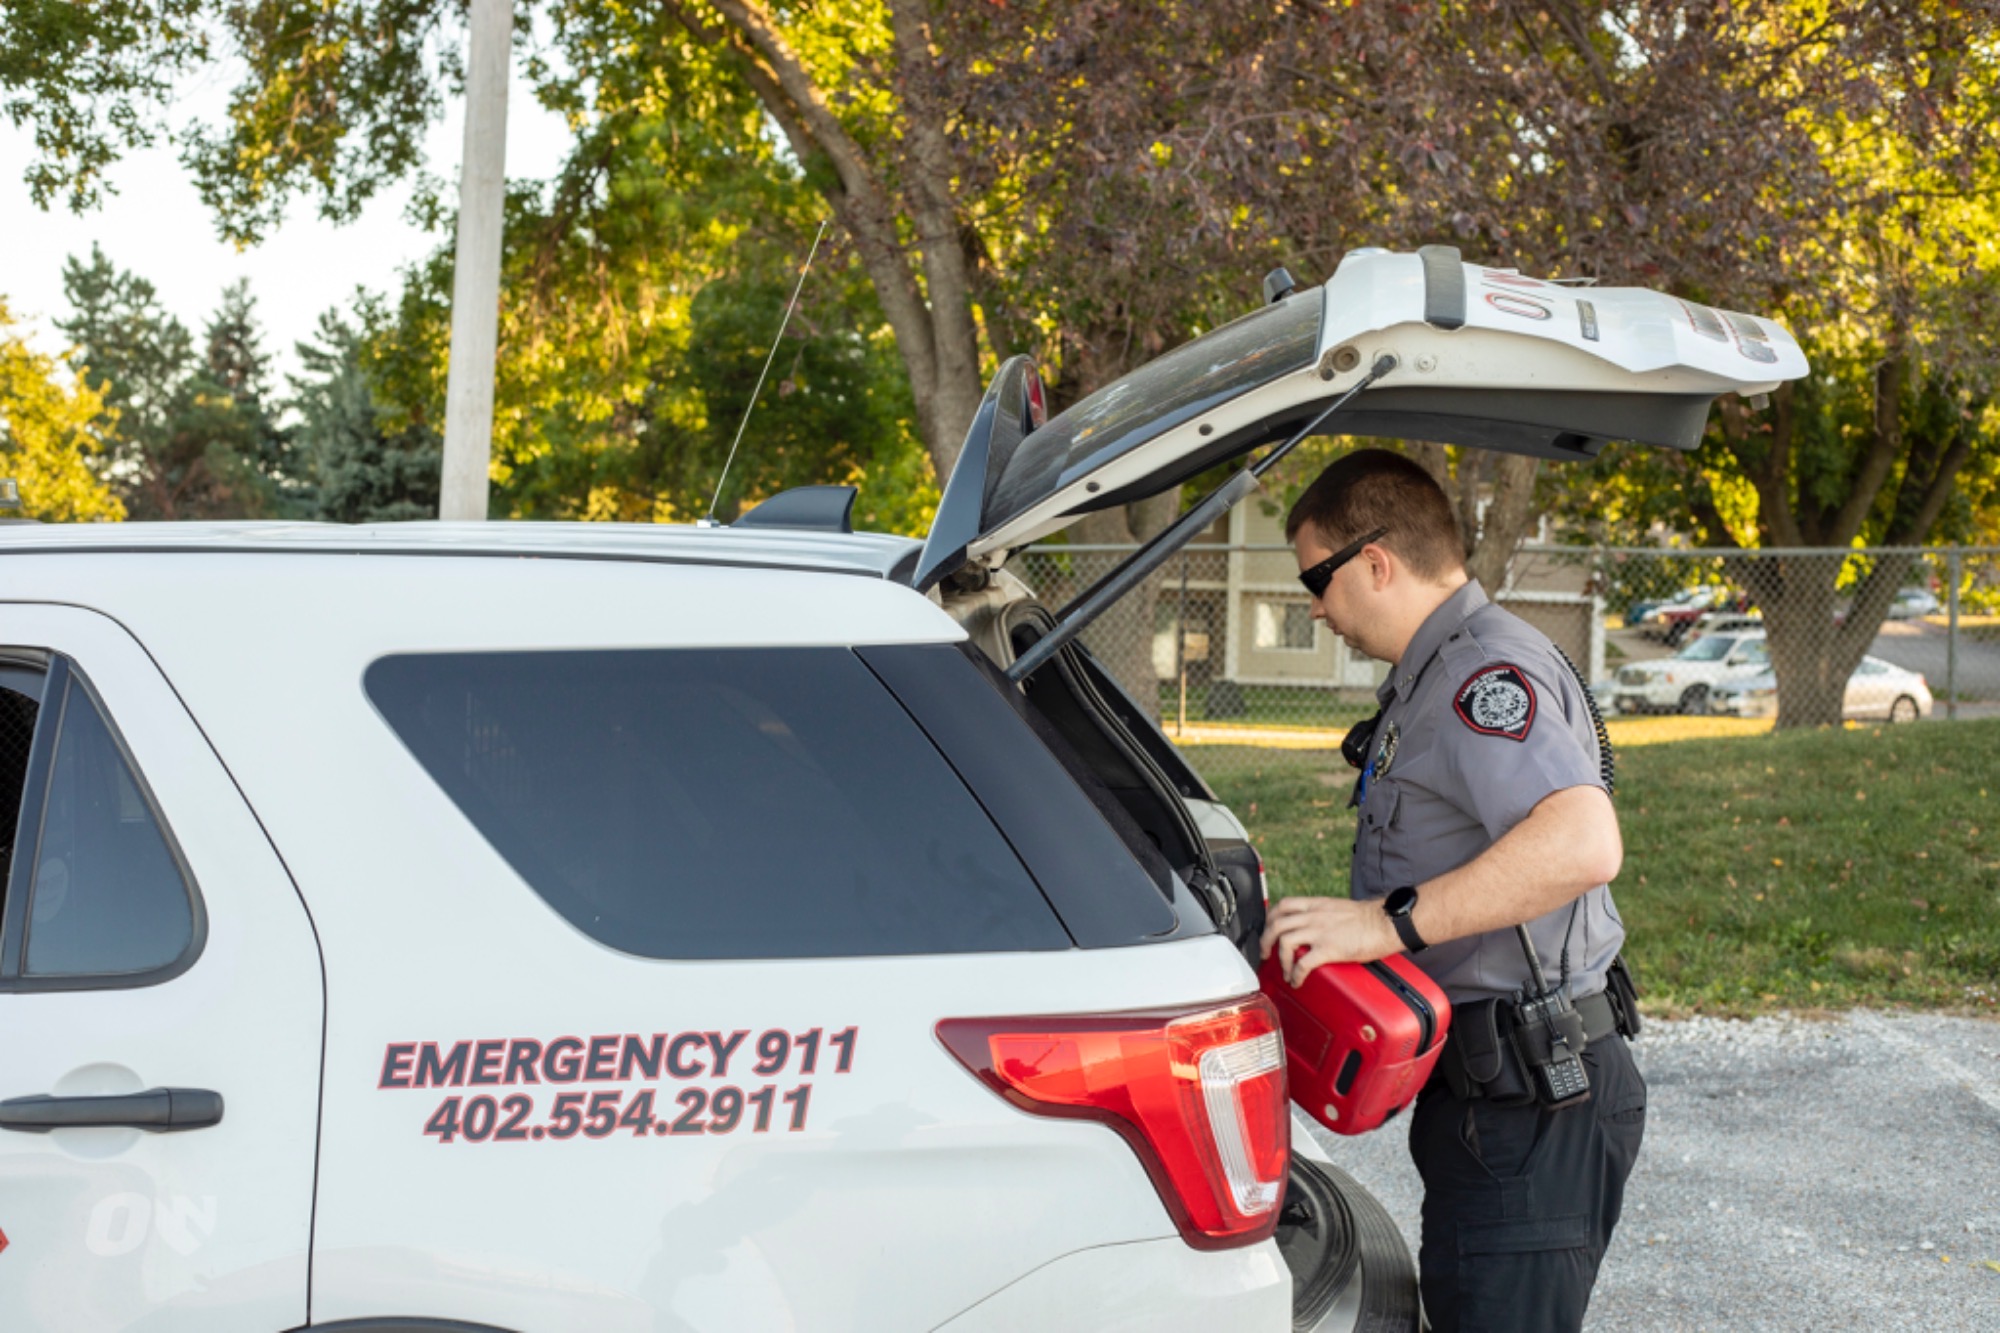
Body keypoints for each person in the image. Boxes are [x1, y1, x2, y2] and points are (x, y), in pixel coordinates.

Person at [1260, 448, 1645, 1333]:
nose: (1316, 607)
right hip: (1495, 1093)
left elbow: (1583, 840)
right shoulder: (1436, 672)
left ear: (1375, 561)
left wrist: (1382, 924)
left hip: (1531, 1103)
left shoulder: (1481, 675)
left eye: (1318, 578)